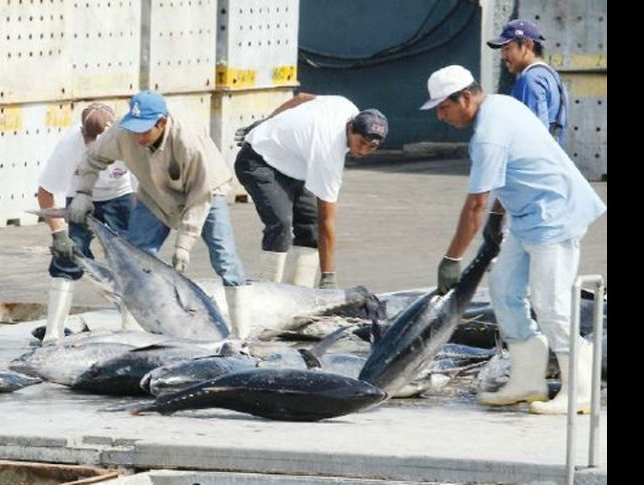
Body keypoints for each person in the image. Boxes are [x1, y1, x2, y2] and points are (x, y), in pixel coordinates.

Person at [420, 65, 606, 414]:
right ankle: (528, 379)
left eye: (444, 108)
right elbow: (512, 172)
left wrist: (453, 258)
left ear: (465, 98)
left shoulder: (489, 131)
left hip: (555, 214)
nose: (441, 117)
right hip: (526, 216)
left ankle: (580, 391)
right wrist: (497, 219)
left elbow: (475, 204)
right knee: (504, 290)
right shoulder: (501, 106)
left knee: (550, 301)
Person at [65, 91, 251, 338]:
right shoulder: (123, 132)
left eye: (144, 130)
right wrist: (82, 193)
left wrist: (184, 245)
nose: (138, 136)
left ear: (162, 122)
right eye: (134, 129)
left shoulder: (188, 139)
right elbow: (93, 159)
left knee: (224, 257)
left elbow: (200, 196)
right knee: (136, 255)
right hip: (155, 196)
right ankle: (131, 328)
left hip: (206, 193)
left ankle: (241, 335)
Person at [234, 93, 388, 289]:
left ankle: (300, 290)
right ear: (350, 129)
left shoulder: (347, 106)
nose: (364, 151)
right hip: (258, 159)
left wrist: (269, 119)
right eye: (361, 143)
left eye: (371, 147)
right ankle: (268, 288)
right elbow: (328, 222)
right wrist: (328, 277)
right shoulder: (328, 153)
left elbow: (302, 97)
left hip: (296, 165)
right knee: (281, 222)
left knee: (310, 224)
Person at [37, 103, 141, 344]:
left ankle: (132, 325)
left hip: (120, 196)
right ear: (83, 133)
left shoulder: (130, 142)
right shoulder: (69, 147)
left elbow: (143, 186)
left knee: (128, 260)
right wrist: (59, 233)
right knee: (67, 258)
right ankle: (53, 333)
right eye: (91, 140)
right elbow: (45, 193)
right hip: (80, 199)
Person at [487, 19, 569, 146]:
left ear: (528, 45)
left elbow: (535, 137)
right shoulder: (550, 76)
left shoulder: (531, 79)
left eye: (507, 48)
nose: (503, 56)